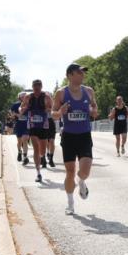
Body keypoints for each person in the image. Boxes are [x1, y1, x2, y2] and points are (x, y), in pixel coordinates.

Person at [52, 63, 99, 215]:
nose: (82, 75)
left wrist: (93, 111)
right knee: (70, 171)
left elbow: (95, 109)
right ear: (70, 75)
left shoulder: (89, 91)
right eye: (79, 72)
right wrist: (60, 111)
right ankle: (70, 203)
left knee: (84, 171)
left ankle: (82, 181)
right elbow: (53, 114)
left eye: (83, 73)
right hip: (69, 136)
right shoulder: (61, 93)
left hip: (84, 135)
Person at [21, 79, 53, 184]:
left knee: (42, 150)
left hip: (43, 125)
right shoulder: (28, 97)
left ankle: (42, 157)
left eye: (38, 87)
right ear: (33, 87)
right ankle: (38, 173)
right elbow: (21, 108)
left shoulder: (47, 97)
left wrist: (48, 110)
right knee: (36, 148)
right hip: (33, 125)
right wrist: (23, 109)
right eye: (35, 87)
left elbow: (52, 109)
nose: (37, 89)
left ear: (41, 87)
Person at [12, 92, 30, 163]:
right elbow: (12, 114)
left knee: (25, 140)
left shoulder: (29, 105)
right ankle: (19, 152)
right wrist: (16, 115)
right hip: (18, 124)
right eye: (23, 96)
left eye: (25, 96)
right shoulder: (15, 105)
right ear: (19, 97)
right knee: (19, 141)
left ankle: (25, 156)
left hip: (26, 124)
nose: (24, 98)